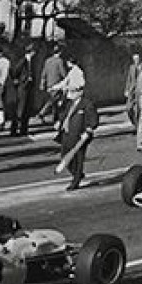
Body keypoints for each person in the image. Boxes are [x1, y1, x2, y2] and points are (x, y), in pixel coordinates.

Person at [58, 62, 98, 192]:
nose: (71, 94)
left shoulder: (87, 104)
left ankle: (76, 180)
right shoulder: (70, 103)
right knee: (65, 157)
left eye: (73, 91)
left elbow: (93, 120)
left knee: (78, 158)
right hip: (67, 133)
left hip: (80, 136)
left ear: (79, 92)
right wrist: (60, 122)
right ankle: (77, 173)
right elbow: (65, 115)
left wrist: (88, 131)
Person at [37, 43, 67, 130]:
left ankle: (55, 117)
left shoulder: (47, 60)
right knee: (53, 101)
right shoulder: (59, 61)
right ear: (60, 52)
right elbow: (63, 73)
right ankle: (41, 113)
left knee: (54, 102)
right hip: (57, 84)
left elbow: (44, 72)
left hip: (49, 84)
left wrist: (42, 83)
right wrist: (67, 80)